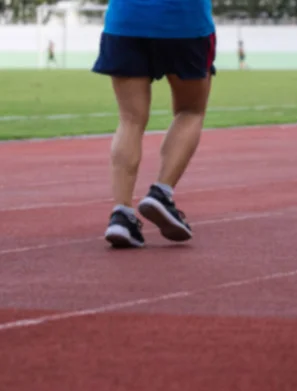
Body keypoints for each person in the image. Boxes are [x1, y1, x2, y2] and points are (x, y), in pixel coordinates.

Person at [91, 0, 216, 248]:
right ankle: (161, 192)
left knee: (130, 120)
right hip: (186, 23)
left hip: (126, 21)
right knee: (190, 110)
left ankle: (122, 214)